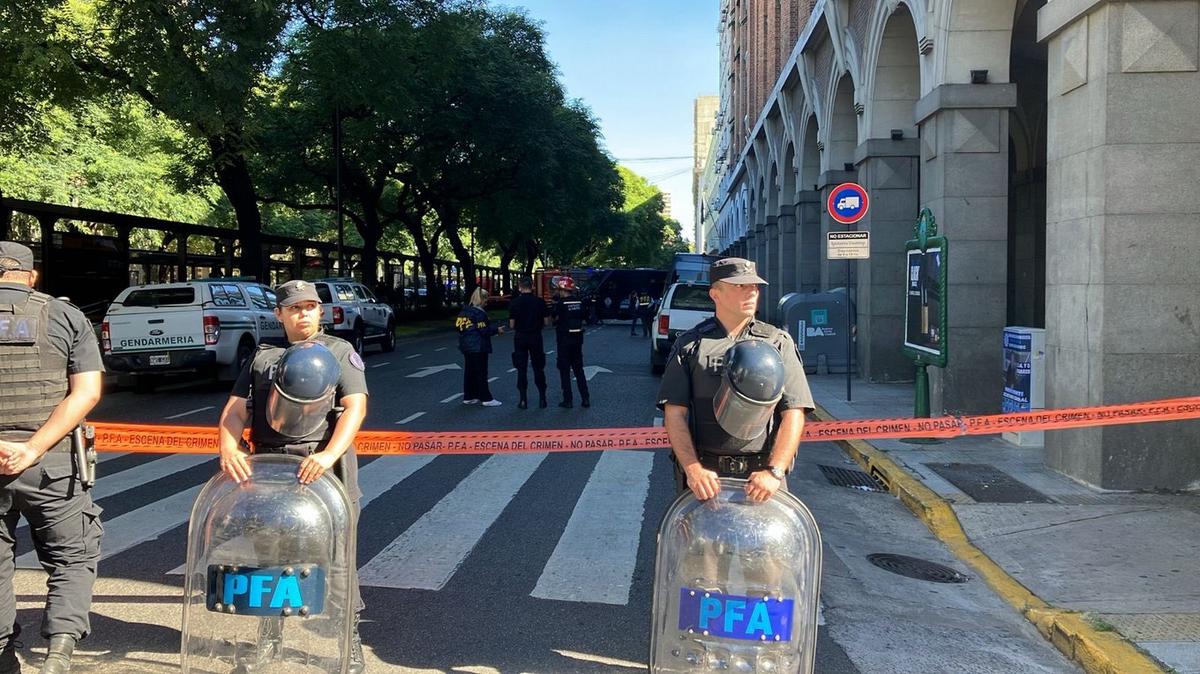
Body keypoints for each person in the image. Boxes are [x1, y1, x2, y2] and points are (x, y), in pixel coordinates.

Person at [216, 279, 368, 673]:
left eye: (311, 306)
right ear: (279, 314)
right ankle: (269, 638)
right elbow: (236, 409)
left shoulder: (340, 351)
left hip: (322, 466)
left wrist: (330, 453)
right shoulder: (263, 357)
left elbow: (354, 408)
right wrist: (229, 447)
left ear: (320, 311)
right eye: (295, 307)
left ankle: (348, 645)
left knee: (336, 560)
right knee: (271, 556)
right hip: (271, 468)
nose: (304, 313)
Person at [0, 242, 104, 674]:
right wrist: (33, 448)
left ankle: (4, 656)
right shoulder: (65, 315)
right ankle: (58, 653)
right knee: (73, 556)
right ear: (31, 276)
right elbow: (87, 392)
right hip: (51, 465)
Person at [657, 257, 814, 503]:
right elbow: (674, 413)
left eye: (754, 286)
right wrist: (692, 469)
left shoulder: (778, 343)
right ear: (715, 294)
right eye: (740, 286)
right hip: (707, 478)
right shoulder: (690, 345)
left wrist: (774, 471)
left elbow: (794, 411)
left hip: (761, 478)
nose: (751, 291)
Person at [456, 287, 505, 407]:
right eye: (486, 300)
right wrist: (496, 330)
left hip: (466, 346)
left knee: (469, 372)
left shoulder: (464, 312)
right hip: (479, 346)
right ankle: (486, 398)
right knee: (481, 372)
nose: (487, 303)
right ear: (481, 300)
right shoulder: (479, 313)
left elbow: (459, 328)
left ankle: (469, 396)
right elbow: (483, 330)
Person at [507, 277, 549, 409]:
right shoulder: (539, 302)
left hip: (520, 337)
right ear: (532, 286)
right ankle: (542, 399)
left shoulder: (514, 303)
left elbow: (512, 325)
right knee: (538, 368)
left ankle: (523, 400)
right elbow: (547, 322)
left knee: (521, 369)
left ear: (520, 287)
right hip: (536, 336)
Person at [551, 277, 590, 408]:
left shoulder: (560, 304)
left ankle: (568, 400)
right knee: (579, 370)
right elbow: (585, 316)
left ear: (562, 290)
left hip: (564, 340)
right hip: (577, 339)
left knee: (565, 371)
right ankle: (585, 399)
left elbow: (555, 319)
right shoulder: (580, 302)